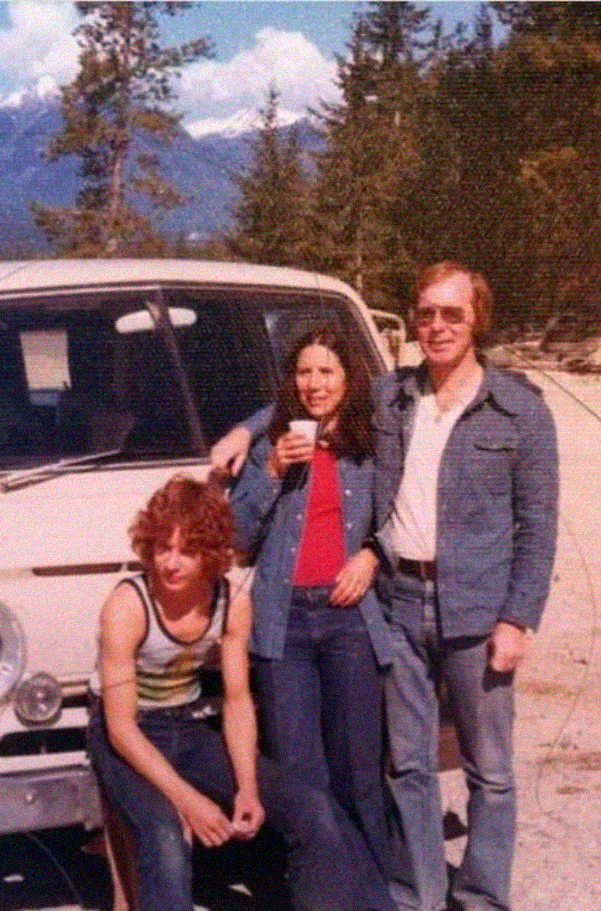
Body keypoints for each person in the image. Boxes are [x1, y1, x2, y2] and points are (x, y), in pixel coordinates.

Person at [211, 262, 559, 911]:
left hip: (479, 612)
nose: (436, 326)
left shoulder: (519, 411)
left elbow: (538, 526)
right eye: (426, 313)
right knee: (406, 764)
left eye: (451, 313)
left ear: (476, 319)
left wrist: (519, 616)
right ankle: (414, 894)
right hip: (398, 606)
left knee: (490, 770)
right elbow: (307, 393)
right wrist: (247, 431)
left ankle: (481, 896)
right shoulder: (394, 394)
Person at [87, 474, 392, 911]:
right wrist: (190, 801)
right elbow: (120, 729)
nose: (171, 563)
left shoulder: (231, 603)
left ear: (211, 555)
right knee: (166, 837)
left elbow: (236, 701)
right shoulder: (127, 605)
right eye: (162, 548)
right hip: (126, 737)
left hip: (186, 727)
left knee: (311, 810)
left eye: (187, 551)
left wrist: (247, 788)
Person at [228, 326, 395, 905]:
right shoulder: (270, 444)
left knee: (358, 775)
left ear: (349, 378)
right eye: (304, 372)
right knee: (301, 781)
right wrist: (269, 469)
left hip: (348, 619)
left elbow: (400, 514)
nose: (315, 383)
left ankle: (374, 897)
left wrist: (373, 556)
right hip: (285, 625)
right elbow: (237, 536)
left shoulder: (372, 442)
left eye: (327, 371)